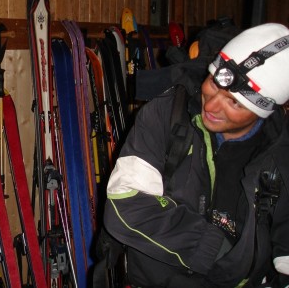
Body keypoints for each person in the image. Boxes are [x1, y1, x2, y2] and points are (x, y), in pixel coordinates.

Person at [103, 23, 289, 287]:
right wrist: (218, 252)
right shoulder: (166, 116)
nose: (211, 105)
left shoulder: (279, 154)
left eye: (235, 102)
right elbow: (126, 202)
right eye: (213, 82)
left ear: (263, 111)